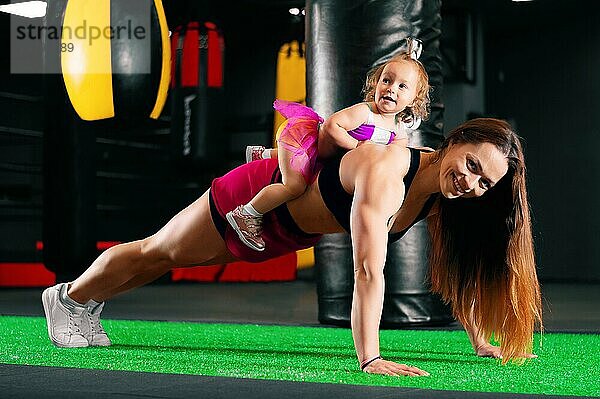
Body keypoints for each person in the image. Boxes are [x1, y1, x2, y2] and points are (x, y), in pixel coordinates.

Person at [42, 117, 542, 377]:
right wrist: (369, 357)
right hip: (256, 198)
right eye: (473, 166)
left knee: (170, 260)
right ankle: (68, 299)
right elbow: (368, 271)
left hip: (288, 233)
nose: (471, 184)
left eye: (484, 185)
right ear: (456, 142)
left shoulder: (438, 197)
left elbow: (450, 265)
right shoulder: (390, 170)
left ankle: (85, 302)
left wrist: (478, 337)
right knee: (159, 251)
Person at [225, 39, 431, 252]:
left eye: (402, 86)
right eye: (386, 81)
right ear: (376, 84)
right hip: (302, 138)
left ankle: (265, 155)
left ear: (414, 98)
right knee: (295, 186)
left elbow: (395, 159)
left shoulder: (398, 132)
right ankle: (247, 213)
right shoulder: (365, 112)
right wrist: (357, 145)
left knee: (313, 163)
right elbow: (332, 126)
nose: (391, 89)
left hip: (319, 154)